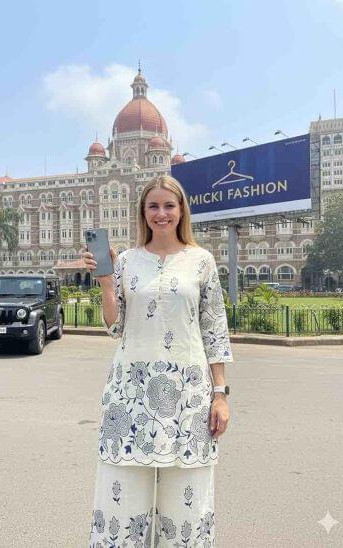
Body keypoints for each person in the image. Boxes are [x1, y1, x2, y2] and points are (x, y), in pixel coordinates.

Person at [83, 174, 233, 547]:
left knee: (187, 507)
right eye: (153, 206)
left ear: (181, 210)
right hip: (130, 396)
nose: (161, 213)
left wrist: (220, 394)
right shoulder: (127, 261)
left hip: (188, 397)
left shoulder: (201, 261)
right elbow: (114, 327)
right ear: (143, 212)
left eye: (169, 205)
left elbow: (214, 329)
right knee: (121, 505)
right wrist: (106, 283)